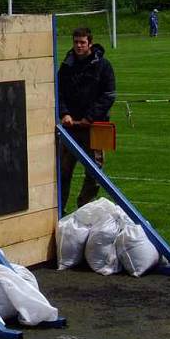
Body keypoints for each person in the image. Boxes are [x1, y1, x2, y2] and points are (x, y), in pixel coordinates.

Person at [57, 27, 116, 215]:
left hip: (94, 126)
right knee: (63, 172)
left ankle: (84, 208)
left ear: (90, 43)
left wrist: (89, 117)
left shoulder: (104, 66)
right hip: (70, 127)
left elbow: (109, 95)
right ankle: (60, 209)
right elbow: (58, 92)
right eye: (76, 42)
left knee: (94, 173)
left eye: (82, 42)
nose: (79, 46)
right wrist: (64, 113)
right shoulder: (66, 66)